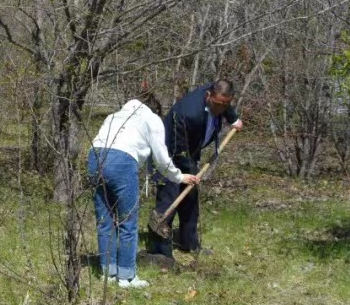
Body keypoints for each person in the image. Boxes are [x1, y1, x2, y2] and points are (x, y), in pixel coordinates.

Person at [88, 95, 200, 288]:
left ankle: (108, 272)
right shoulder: (152, 119)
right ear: (154, 109)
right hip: (122, 161)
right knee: (127, 222)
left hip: (94, 157)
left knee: (105, 221)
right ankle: (127, 277)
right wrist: (179, 177)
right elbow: (162, 159)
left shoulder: (113, 116)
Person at [146, 80, 244, 259]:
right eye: (218, 104)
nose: (221, 109)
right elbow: (178, 149)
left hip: (188, 154)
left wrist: (234, 119)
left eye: (225, 105)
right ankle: (159, 250)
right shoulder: (187, 112)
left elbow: (224, 103)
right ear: (208, 97)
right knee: (169, 198)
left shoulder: (218, 100)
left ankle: (189, 244)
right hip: (168, 156)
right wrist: (190, 171)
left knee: (190, 199)